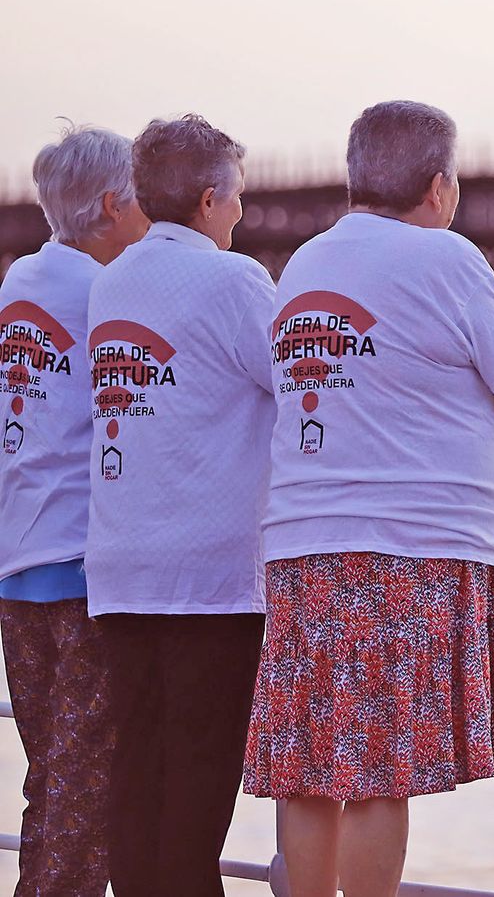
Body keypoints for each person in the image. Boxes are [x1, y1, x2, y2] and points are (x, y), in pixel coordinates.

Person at [244, 100, 494, 897]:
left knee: (309, 761)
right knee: (383, 767)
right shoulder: (446, 258)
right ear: (439, 186)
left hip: (301, 541)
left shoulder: (306, 264)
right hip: (411, 545)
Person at [85, 114, 274, 896]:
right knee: (197, 796)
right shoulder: (235, 282)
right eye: (235, 197)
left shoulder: (112, 281)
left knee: (136, 778)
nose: (241, 211)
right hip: (211, 578)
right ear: (206, 200)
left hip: (122, 567)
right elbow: (300, 384)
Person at [0, 125, 148, 896]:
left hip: (18, 560)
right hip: (82, 566)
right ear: (110, 204)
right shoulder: (105, 293)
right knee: (90, 781)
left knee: (52, 773)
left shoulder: (18, 285)